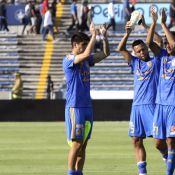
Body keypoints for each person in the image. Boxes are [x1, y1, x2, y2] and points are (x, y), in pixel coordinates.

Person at [117, 7, 163, 175]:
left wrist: (145, 25)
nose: (142, 52)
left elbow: (159, 43)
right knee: (136, 140)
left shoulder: (156, 61)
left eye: (143, 49)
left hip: (151, 105)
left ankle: (171, 163)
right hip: (137, 106)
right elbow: (120, 49)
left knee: (159, 142)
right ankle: (142, 173)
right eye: (139, 51)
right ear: (135, 53)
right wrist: (127, 33)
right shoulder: (135, 63)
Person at [62, 22, 110, 175]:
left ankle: (79, 172)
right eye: (82, 44)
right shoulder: (69, 59)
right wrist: (93, 36)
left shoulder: (86, 61)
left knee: (83, 144)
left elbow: (105, 54)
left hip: (87, 107)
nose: (85, 47)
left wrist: (104, 37)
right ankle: (70, 173)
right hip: (75, 107)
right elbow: (84, 54)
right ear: (75, 45)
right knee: (76, 144)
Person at [151, 8, 175, 175]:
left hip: (174, 105)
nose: (167, 45)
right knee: (158, 144)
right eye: (165, 43)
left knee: (170, 142)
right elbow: (149, 43)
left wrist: (163, 24)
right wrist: (153, 24)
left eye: (170, 42)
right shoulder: (161, 57)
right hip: (160, 104)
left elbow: (173, 44)